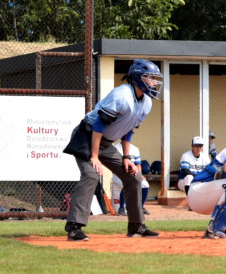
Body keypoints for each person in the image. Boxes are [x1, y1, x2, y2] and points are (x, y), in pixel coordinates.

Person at [61, 58, 163, 241]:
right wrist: (94, 156)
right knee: (91, 175)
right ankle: (74, 228)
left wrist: (126, 157)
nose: (155, 82)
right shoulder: (121, 95)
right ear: (139, 78)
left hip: (106, 143)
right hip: (87, 136)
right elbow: (99, 125)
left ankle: (136, 225)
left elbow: (128, 129)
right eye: (151, 78)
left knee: (133, 177)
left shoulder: (146, 102)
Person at [111, 141, 151, 215]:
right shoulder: (114, 148)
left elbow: (138, 165)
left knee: (145, 184)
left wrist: (139, 175)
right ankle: (121, 208)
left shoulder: (135, 149)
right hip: (119, 175)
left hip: (133, 174)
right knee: (128, 182)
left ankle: (140, 207)